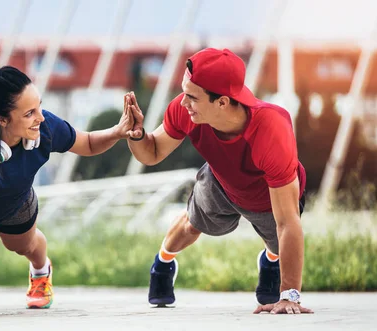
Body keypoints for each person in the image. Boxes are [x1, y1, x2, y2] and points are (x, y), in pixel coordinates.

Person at [0, 64, 135, 320]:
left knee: (22, 244)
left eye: (39, 106)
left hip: (12, 198)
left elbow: (89, 143)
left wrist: (117, 132)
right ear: (2, 119)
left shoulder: (44, 127)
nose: (40, 117)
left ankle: (41, 272)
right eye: (29, 113)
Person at [125, 48, 313, 314]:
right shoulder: (186, 111)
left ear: (222, 102)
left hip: (267, 195)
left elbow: (287, 222)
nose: (182, 102)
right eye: (184, 92)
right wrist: (136, 135)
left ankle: (270, 261)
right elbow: (153, 152)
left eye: (192, 97)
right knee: (191, 225)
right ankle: (163, 264)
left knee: (278, 242)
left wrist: (289, 296)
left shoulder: (271, 129)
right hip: (221, 180)